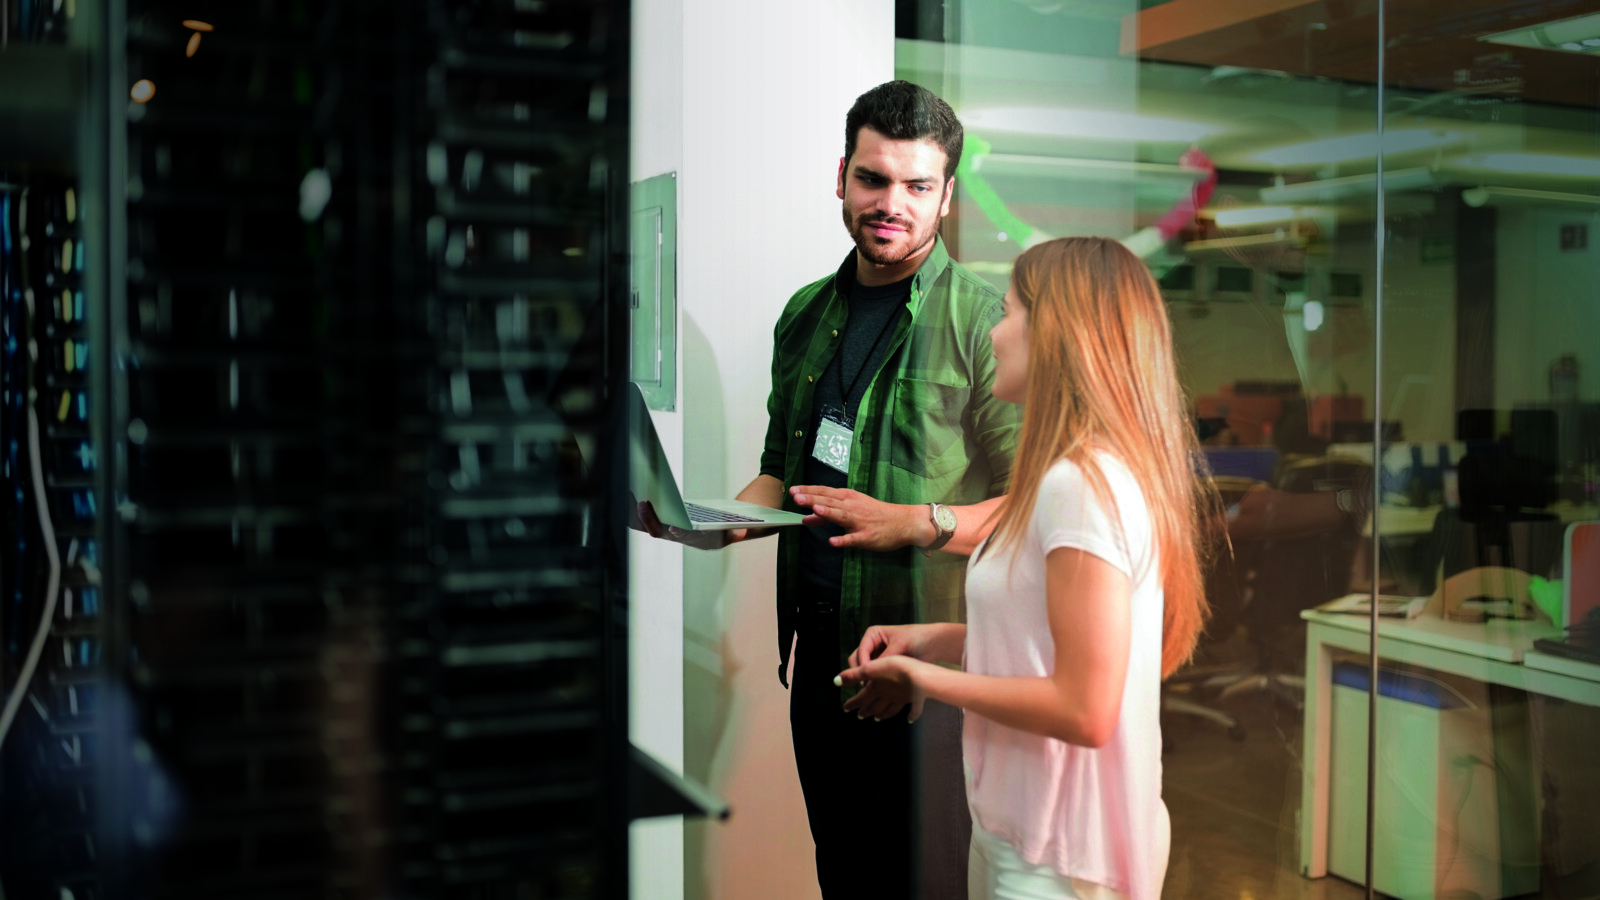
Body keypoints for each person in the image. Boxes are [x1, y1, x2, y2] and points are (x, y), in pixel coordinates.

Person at [635, 80, 1020, 899]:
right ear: (842, 174)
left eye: (918, 186)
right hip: (820, 659)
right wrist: (719, 521)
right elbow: (785, 467)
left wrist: (916, 522)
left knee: (926, 886)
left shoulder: (987, 325)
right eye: (874, 179)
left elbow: (1031, 510)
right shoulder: (805, 315)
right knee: (843, 879)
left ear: (947, 196)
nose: (892, 204)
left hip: (928, 673)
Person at [816, 237, 1216, 900]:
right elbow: (1054, 643)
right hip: (1026, 830)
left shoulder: (1082, 487)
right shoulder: (1072, 477)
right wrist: (938, 641)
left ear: (1055, 334)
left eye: (1007, 314)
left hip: (1058, 857)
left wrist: (925, 679)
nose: (995, 334)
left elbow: (1085, 707)